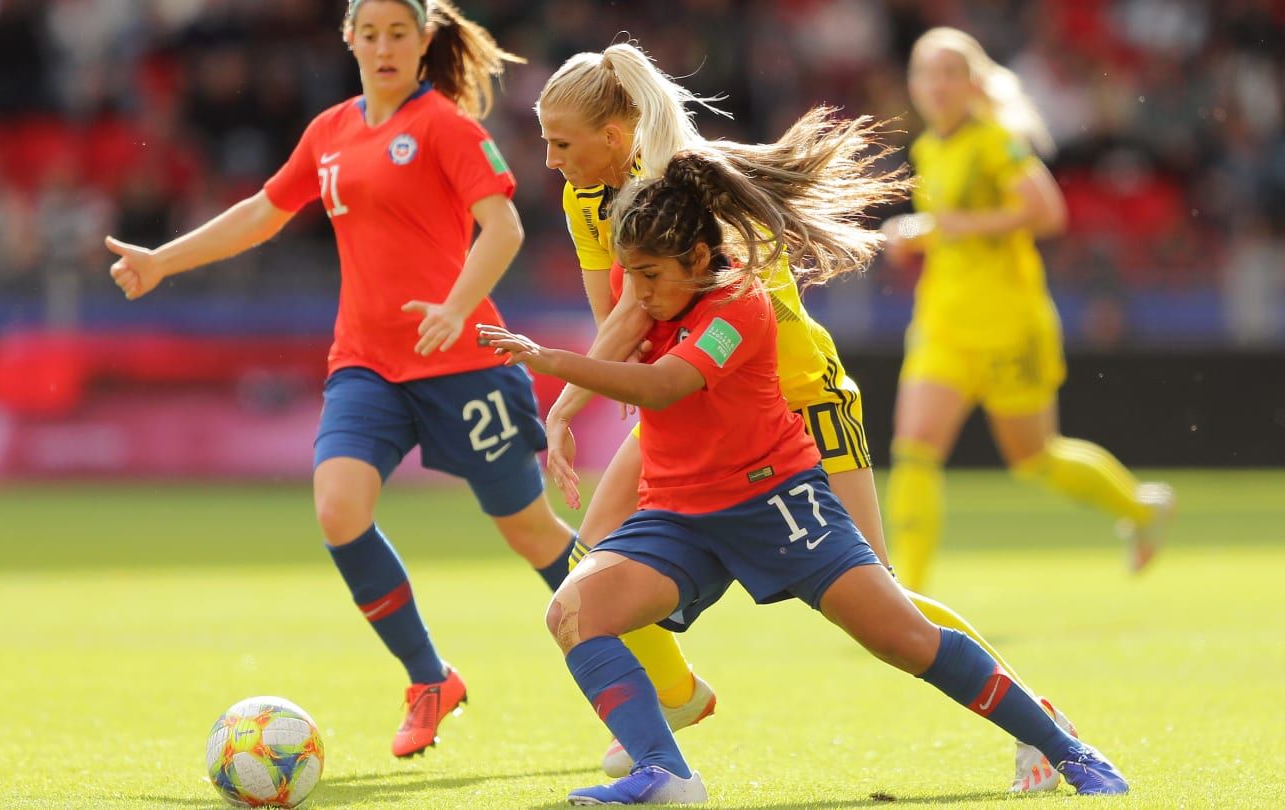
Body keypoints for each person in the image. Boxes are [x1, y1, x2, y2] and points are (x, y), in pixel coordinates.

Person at [478, 119, 1130, 803]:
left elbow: (667, 384)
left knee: (905, 638)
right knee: (573, 612)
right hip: (680, 513)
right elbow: (621, 326)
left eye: (650, 276)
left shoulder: (740, 303)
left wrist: (549, 363)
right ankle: (664, 774)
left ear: (701, 259)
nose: (636, 291)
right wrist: (563, 406)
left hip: (775, 504)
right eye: (630, 274)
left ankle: (1067, 749)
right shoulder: (652, 284)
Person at [104, 0, 578, 759]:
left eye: (400, 33)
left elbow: (506, 228)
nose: (385, 46)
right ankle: (429, 678)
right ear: (348, 40)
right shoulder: (329, 131)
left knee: (529, 531)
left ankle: (640, 636)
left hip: (463, 362)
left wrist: (458, 308)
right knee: (337, 510)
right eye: (371, 33)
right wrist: (164, 260)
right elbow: (264, 211)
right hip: (367, 363)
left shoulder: (447, 127)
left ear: (425, 41)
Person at [881, 27, 1175, 593]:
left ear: (972, 82)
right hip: (943, 323)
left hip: (1009, 323)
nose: (936, 85)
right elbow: (947, 233)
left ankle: (1141, 508)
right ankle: (910, 598)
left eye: (949, 73)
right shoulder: (929, 148)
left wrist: (948, 226)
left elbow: (1047, 211)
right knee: (914, 450)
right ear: (913, 84)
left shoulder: (996, 142)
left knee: (1034, 459)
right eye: (926, 73)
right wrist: (918, 237)